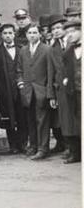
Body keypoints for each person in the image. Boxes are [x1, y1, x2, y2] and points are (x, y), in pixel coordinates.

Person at [0, 23, 26, 154]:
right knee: (9, 117)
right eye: (5, 33)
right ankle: (13, 145)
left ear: (14, 34)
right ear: (1, 35)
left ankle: (23, 144)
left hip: (21, 87)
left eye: (10, 33)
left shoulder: (22, 49)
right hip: (5, 89)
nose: (8, 36)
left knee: (22, 116)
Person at [16, 23, 52, 160]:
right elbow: (19, 70)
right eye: (30, 33)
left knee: (42, 120)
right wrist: (20, 84)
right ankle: (33, 146)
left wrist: (48, 91)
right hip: (27, 91)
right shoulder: (23, 50)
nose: (32, 35)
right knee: (30, 120)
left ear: (40, 35)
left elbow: (50, 72)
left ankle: (43, 149)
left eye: (35, 33)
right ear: (26, 35)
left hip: (41, 90)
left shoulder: (47, 50)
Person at [56, 19, 81, 163]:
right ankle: (77, 153)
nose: (70, 35)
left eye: (73, 31)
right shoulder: (68, 52)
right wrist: (66, 80)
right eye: (68, 32)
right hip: (75, 92)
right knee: (76, 123)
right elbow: (65, 70)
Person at [46, 14, 67, 155]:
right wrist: (51, 95)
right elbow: (50, 73)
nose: (56, 31)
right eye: (53, 29)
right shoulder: (53, 48)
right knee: (63, 120)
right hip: (60, 90)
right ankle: (68, 147)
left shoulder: (74, 43)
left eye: (59, 27)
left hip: (75, 88)